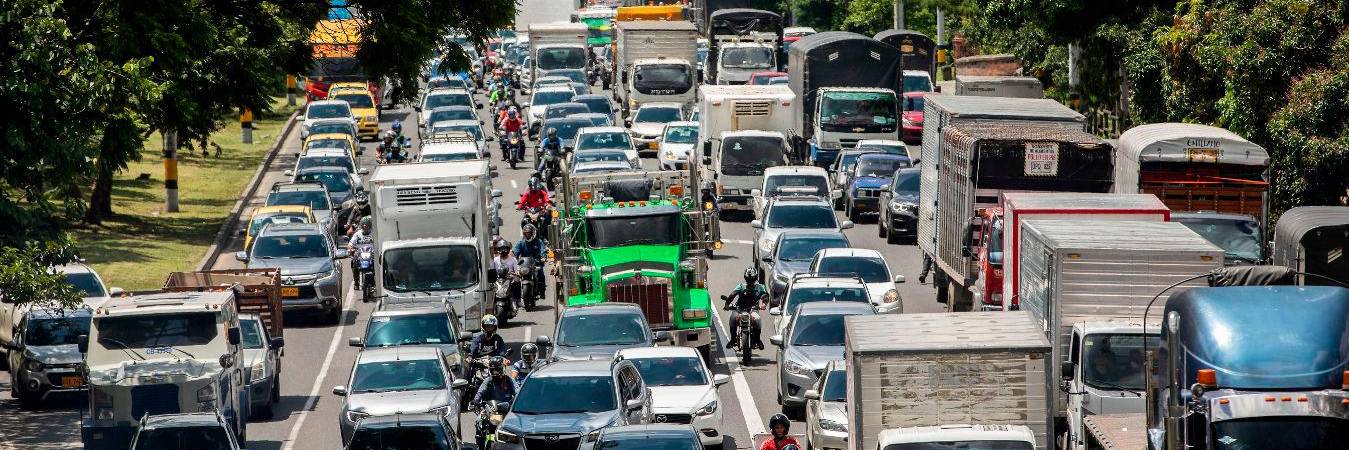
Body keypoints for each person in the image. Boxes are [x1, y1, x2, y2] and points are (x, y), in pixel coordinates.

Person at [724, 267, 768, 350]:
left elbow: (765, 296)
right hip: (739, 309)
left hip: (753, 310)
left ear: (755, 278)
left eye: (752, 279)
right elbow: (732, 295)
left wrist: (764, 304)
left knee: (757, 319)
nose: (750, 281)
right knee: (732, 319)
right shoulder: (740, 286)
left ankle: (758, 340)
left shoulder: (760, 287)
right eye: (748, 279)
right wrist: (727, 304)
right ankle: (733, 340)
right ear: (745, 278)